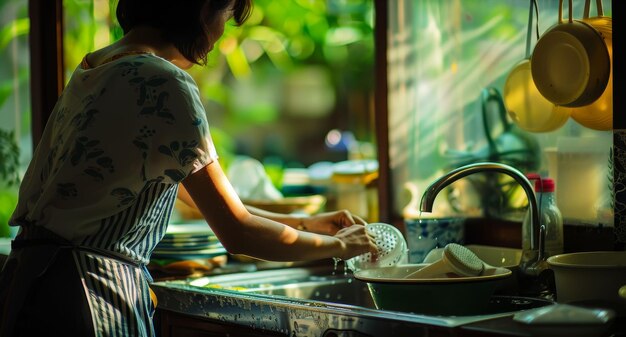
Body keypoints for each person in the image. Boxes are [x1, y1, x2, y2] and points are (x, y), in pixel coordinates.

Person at [0, 0, 378, 336]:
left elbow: (190, 196)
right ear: (202, 9)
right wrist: (339, 246)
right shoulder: (166, 82)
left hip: (29, 285)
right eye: (226, 17)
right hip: (91, 295)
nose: (220, 34)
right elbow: (238, 232)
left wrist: (306, 224)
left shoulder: (96, 66)